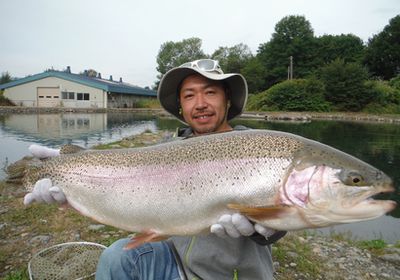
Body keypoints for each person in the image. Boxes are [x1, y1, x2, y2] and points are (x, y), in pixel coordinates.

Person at [24, 59, 286, 280]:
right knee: (116, 258)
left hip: (232, 274)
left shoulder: (257, 147)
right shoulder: (169, 149)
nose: (200, 103)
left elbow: (289, 209)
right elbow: (124, 186)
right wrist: (74, 172)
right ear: (181, 107)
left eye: (210, 92)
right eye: (189, 95)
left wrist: (268, 227)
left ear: (227, 99)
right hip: (178, 265)